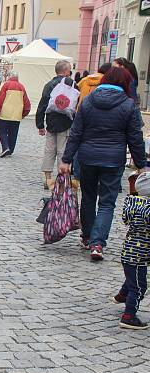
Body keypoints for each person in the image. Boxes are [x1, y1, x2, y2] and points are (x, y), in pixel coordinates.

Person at [59, 66, 148, 261]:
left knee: (88, 197)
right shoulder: (128, 105)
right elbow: (135, 137)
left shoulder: (89, 101)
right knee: (107, 203)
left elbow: (76, 132)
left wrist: (66, 159)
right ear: (125, 84)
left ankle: (88, 236)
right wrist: (142, 164)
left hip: (87, 158)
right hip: (113, 160)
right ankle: (97, 243)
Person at [114, 173, 150, 329]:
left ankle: (122, 295)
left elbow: (126, 220)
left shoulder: (131, 202)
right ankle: (128, 316)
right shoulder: (147, 209)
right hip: (139, 255)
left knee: (133, 278)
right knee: (139, 287)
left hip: (128, 251)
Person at [37, 60, 75, 190]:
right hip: (66, 122)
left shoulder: (49, 84)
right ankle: (61, 180)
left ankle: (47, 178)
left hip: (51, 122)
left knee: (49, 151)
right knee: (62, 151)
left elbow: (42, 105)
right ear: (65, 71)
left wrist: (40, 124)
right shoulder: (72, 85)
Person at [0, 73, 30, 157]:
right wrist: (24, 113)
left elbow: (0, 99)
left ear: (10, 77)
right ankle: (10, 149)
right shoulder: (22, 87)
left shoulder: (6, 85)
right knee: (13, 133)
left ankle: (5, 147)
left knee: (2, 130)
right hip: (17, 115)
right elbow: (26, 103)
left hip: (5, 114)